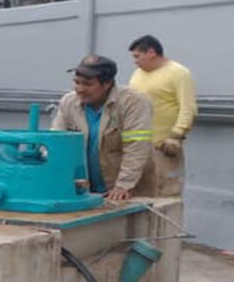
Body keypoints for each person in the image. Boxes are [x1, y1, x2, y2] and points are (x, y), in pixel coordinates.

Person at [51, 55, 156, 201]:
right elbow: (56, 142)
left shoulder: (133, 102)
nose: (79, 89)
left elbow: (137, 147)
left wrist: (123, 185)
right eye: (77, 82)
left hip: (126, 192)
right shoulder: (68, 102)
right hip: (85, 192)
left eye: (87, 84)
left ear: (107, 84)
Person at [128, 35, 198, 197]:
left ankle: (166, 223)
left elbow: (188, 107)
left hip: (164, 148)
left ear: (151, 52)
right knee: (139, 192)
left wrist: (176, 135)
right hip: (138, 147)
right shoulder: (137, 74)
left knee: (167, 192)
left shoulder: (178, 73)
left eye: (137, 56)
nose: (135, 61)